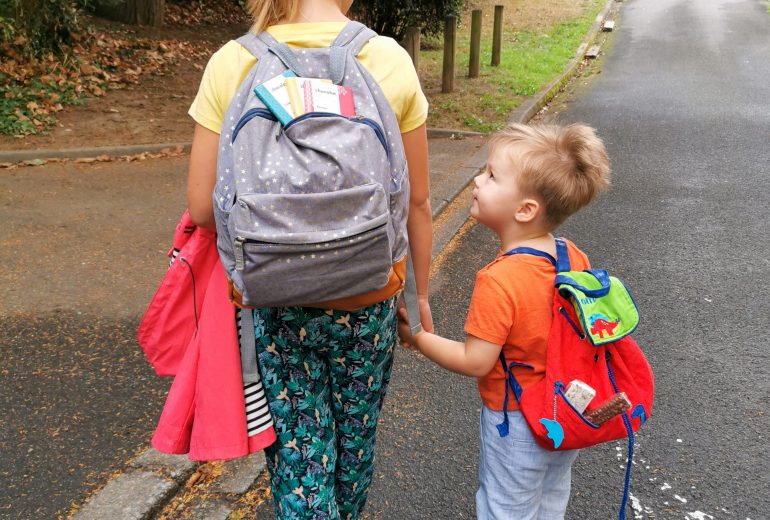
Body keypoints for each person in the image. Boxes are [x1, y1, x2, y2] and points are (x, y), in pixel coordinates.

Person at [185, 0, 434, 518]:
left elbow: (203, 210)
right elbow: (415, 201)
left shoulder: (233, 62)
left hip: (274, 301)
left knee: (301, 463)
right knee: (354, 452)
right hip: (368, 300)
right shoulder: (388, 58)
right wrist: (420, 296)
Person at [399, 123, 610, 519]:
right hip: (566, 409)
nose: (477, 180)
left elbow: (477, 360)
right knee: (550, 499)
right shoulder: (572, 257)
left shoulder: (499, 279)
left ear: (525, 209)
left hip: (516, 420)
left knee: (506, 508)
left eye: (492, 176)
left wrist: (420, 335)